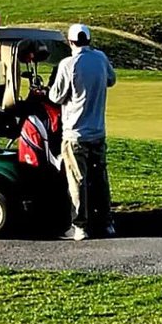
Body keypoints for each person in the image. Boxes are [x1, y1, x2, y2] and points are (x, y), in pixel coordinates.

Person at [49, 23, 116, 240]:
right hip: (98, 131)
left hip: (75, 133)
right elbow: (111, 80)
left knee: (77, 179)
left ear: (70, 42)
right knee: (99, 179)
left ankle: (80, 226)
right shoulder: (100, 58)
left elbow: (55, 97)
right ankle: (106, 224)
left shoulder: (68, 64)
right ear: (88, 39)